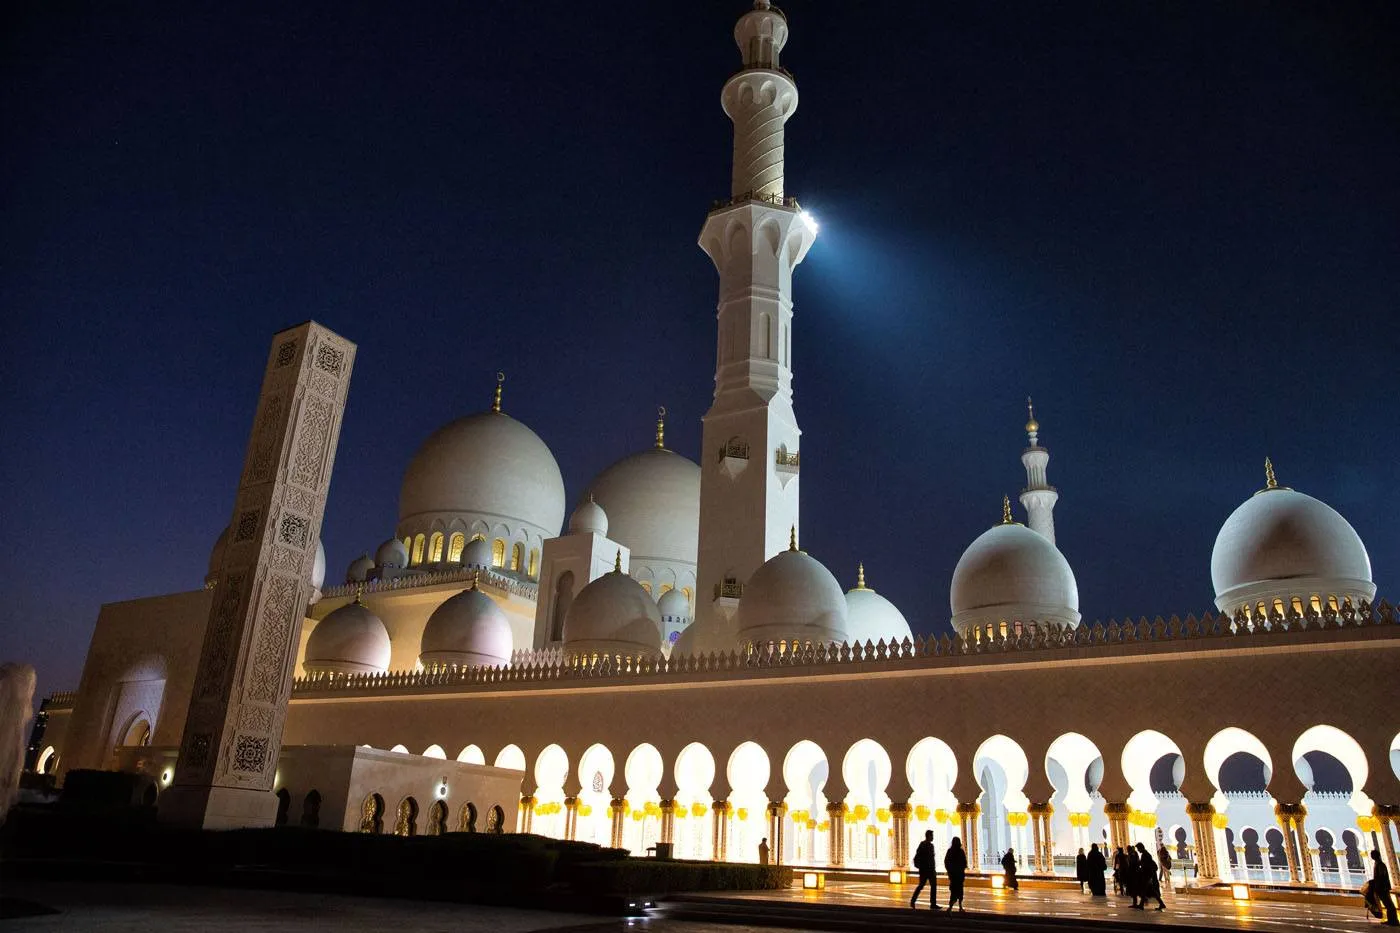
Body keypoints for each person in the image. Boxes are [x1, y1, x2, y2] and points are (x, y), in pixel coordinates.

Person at [910, 830, 937, 909]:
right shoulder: (926, 845)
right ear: (928, 836)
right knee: (928, 886)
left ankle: (913, 901)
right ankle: (932, 903)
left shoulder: (924, 845)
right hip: (927, 869)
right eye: (932, 836)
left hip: (925, 869)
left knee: (924, 885)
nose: (933, 837)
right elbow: (930, 859)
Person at [1135, 842, 1165, 911]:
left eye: (1138, 849)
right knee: (1149, 890)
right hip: (1148, 875)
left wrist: (1139, 864)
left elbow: (1146, 865)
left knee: (1145, 890)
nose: (1138, 850)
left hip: (1147, 875)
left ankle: (1142, 905)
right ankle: (1142, 904)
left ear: (1141, 848)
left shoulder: (1145, 855)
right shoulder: (1146, 854)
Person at [1374, 849, 1399, 926]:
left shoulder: (1380, 864)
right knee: (1388, 905)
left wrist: (1378, 886)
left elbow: (1381, 877)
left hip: (1383, 888)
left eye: (1373, 855)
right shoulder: (1378, 864)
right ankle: (1391, 920)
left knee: (1389, 905)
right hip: (1382, 888)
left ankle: (1394, 921)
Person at [944, 836, 967, 912]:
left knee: (953, 891)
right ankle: (960, 906)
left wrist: (949, 871)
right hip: (959, 875)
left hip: (953, 875)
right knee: (960, 891)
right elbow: (964, 862)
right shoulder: (961, 851)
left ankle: (950, 906)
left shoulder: (950, 851)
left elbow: (946, 862)